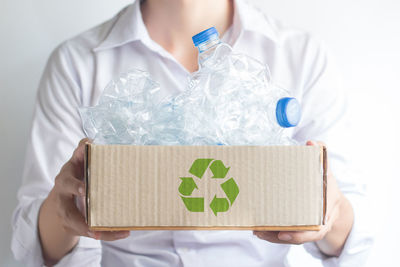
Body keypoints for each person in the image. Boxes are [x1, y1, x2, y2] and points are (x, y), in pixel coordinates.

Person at [11, 0, 373, 266]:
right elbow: (33, 249)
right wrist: (61, 213)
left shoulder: (301, 56)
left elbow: (359, 246)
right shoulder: (77, 62)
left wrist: (330, 211)